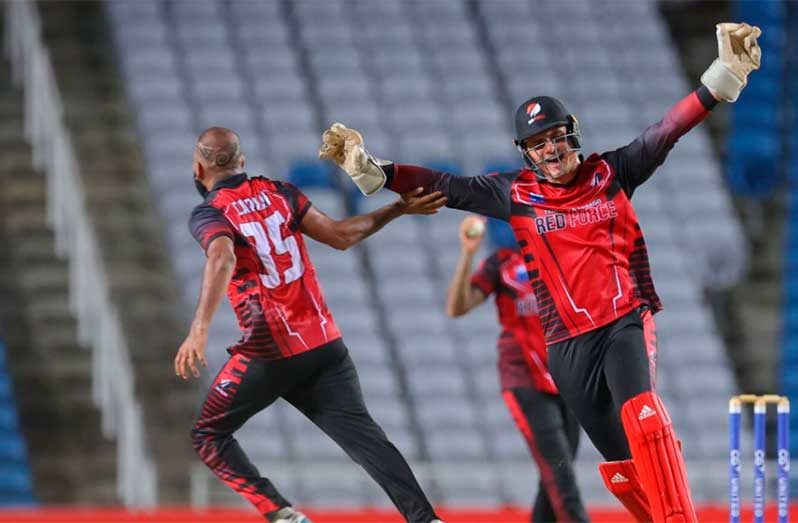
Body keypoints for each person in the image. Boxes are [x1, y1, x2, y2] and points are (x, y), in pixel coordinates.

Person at [319, 22, 761, 523]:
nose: (550, 150)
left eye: (556, 137)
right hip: (566, 347)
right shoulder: (516, 194)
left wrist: (717, 81)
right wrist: (381, 171)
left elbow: (664, 131)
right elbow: (448, 184)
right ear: (526, 153)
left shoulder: (611, 173)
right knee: (620, 467)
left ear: (571, 133)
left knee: (644, 416)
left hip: (623, 323)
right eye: (538, 144)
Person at [174, 127, 447, 523]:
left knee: (208, 436)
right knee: (368, 440)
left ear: (197, 169)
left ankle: (281, 513)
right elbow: (340, 235)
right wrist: (398, 208)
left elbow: (222, 259)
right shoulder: (281, 192)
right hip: (324, 346)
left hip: (271, 349)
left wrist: (198, 330)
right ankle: (425, 519)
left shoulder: (210, 212)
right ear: (243, 162)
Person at [445, 216, 588, 522]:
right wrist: (468, 254)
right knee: (560, 476)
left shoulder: (563, 254)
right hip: (524, 378)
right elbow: (458, 307)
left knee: (558, 472)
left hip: (567, 377)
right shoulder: (502, 263)